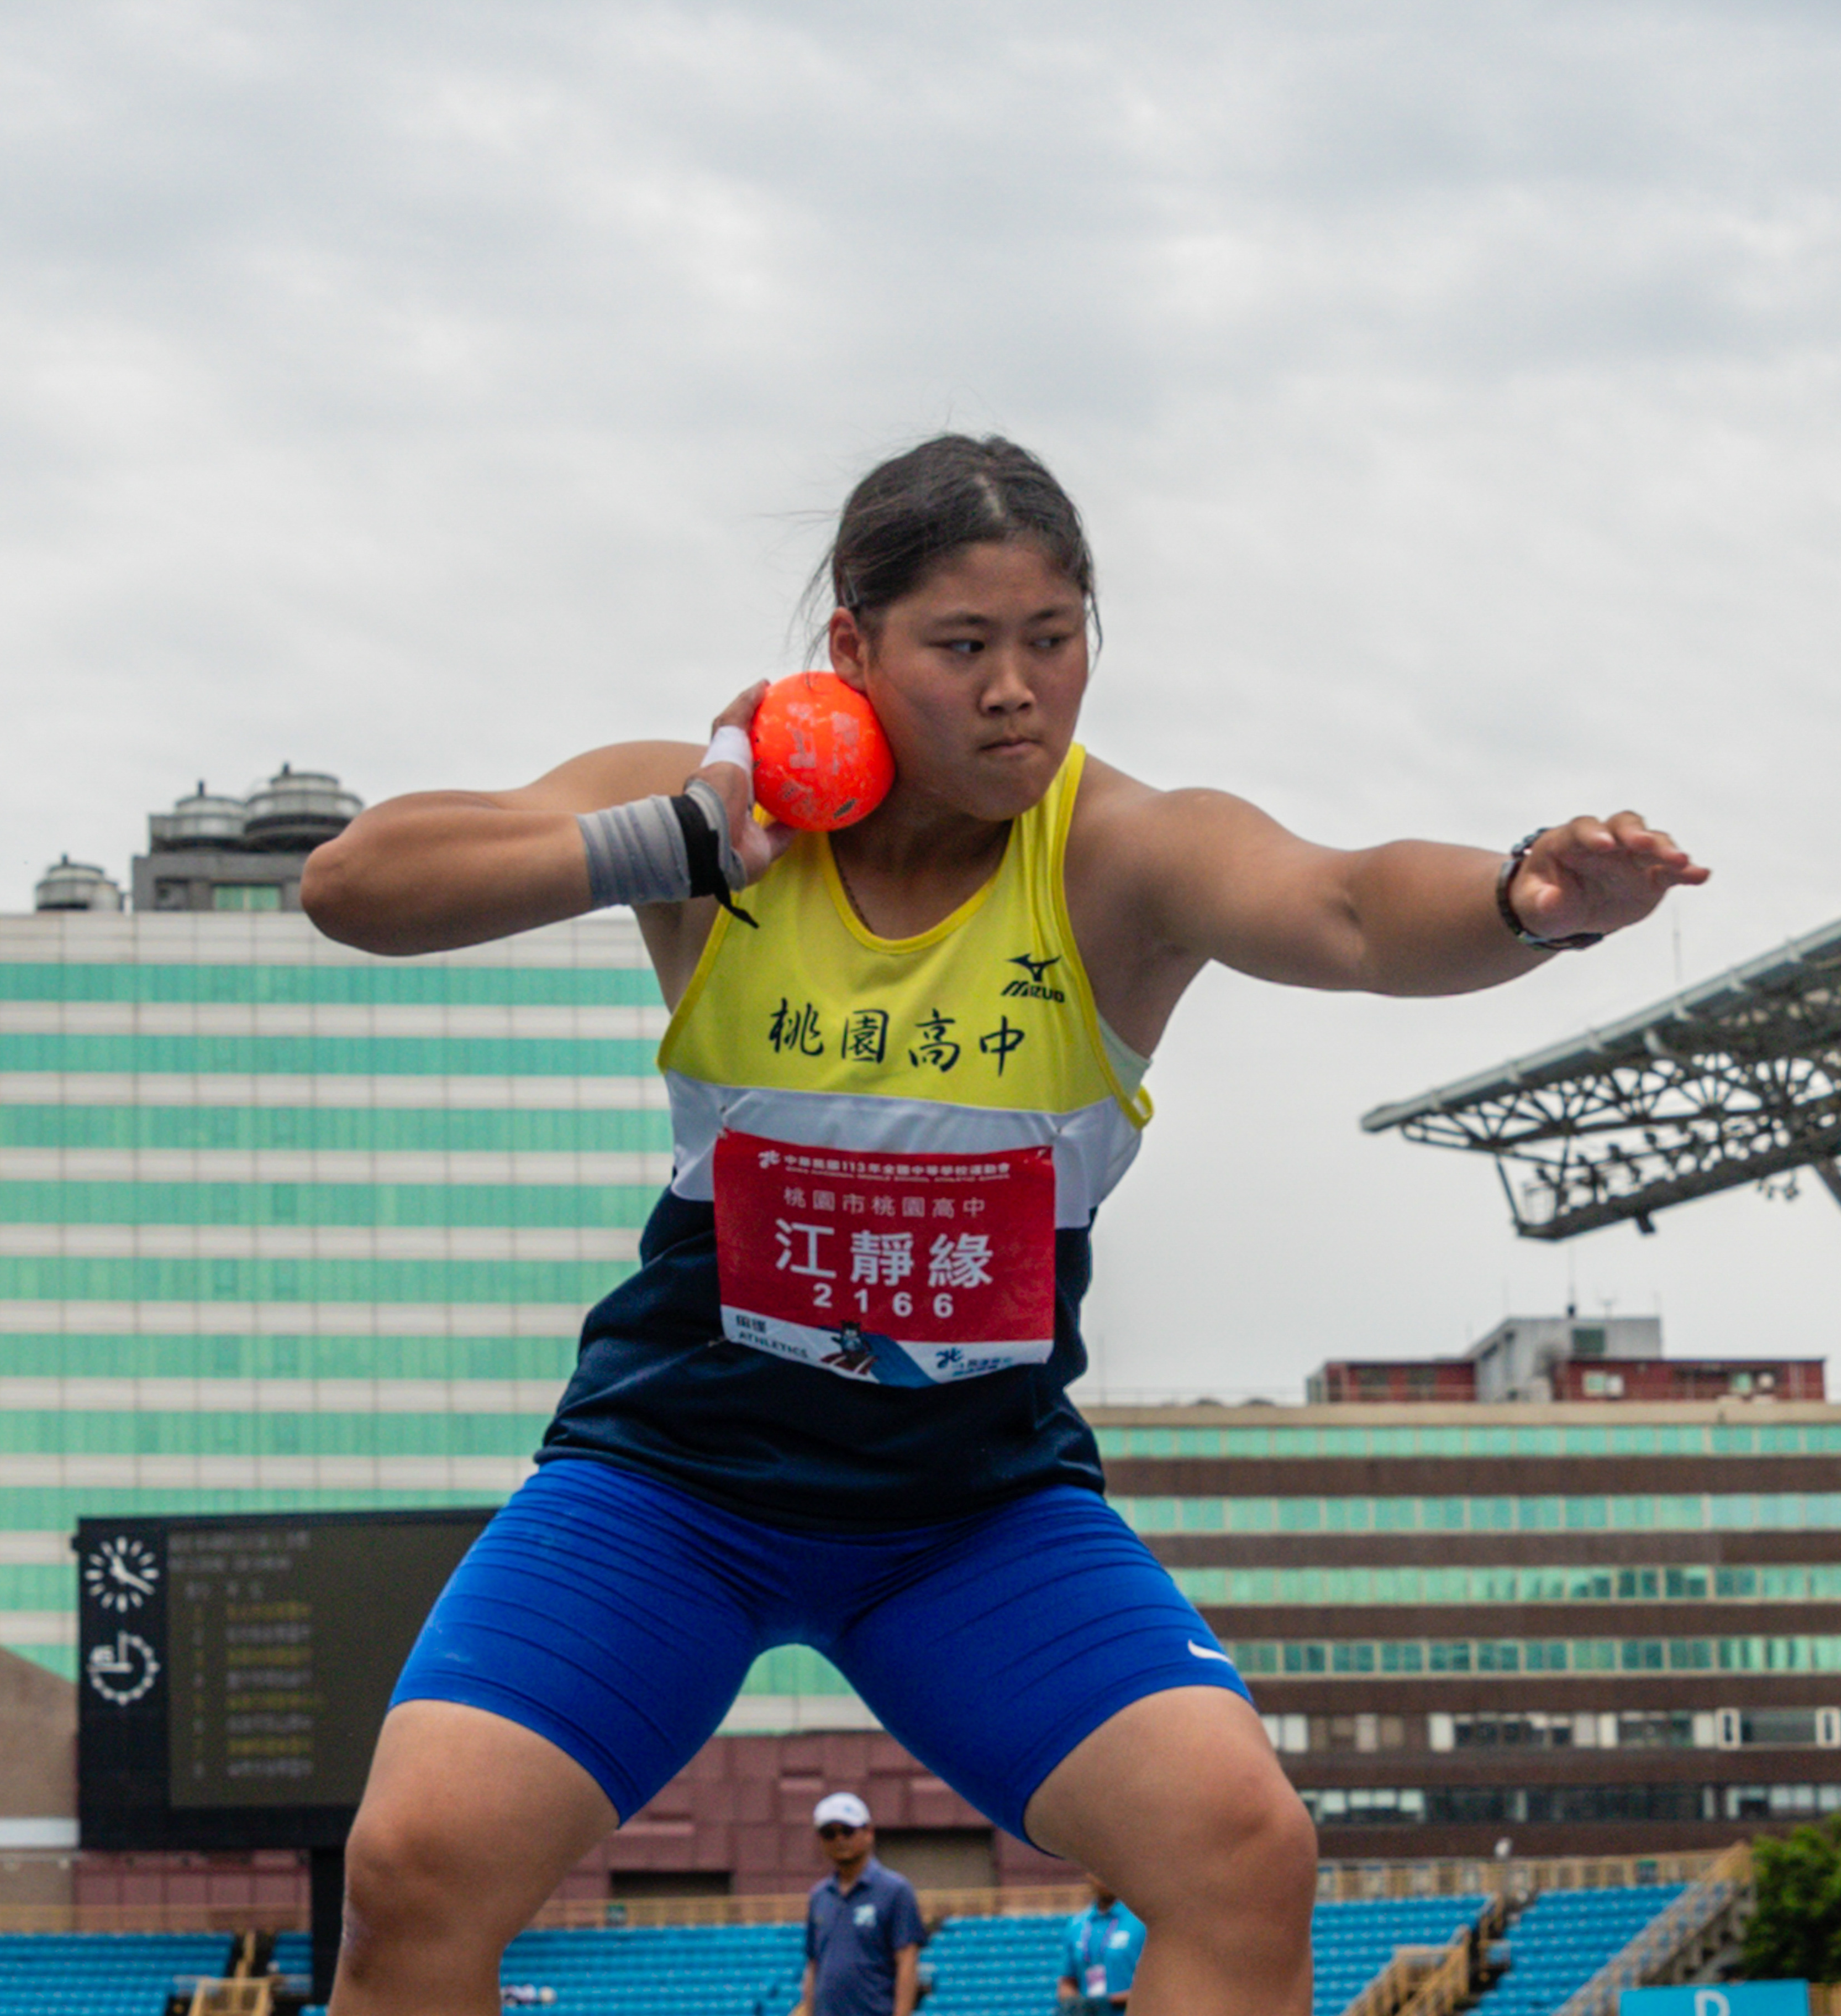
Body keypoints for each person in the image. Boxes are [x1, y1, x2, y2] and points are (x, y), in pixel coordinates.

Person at [301, 434, 1708, 2016]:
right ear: (851, 649)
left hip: (967, 1518)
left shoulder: (1118, 854)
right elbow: (356, 886)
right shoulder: (719, 819)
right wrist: (679, 839)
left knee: (1243, 1851)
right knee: (412, 1869)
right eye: (964, 648)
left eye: (1055, 641)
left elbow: (1347, 905)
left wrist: (1531, 894)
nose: (1018, 692)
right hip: (673, 1488)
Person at [797, 1794, 923, 2016]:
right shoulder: (819, 1896)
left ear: (869, 1833)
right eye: (829, 1834)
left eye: (847, 1830)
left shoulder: (895, 1891)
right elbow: (814, 1965)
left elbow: (907, 1960)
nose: (839, 1840)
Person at [1061, 1875, 1148, 2016]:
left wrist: (1108, 2002)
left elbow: (1157, 1988)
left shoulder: (1141, 1921)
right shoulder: (1077, 1924)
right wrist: (1074, 2003)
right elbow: (1067, 1981)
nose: (1104, 1878)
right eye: (1097, 1872)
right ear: (1088, 1875)